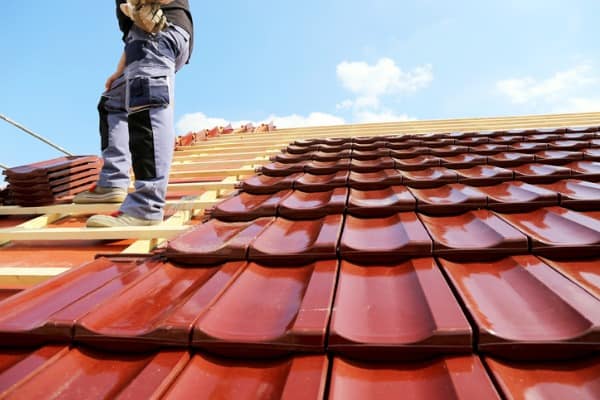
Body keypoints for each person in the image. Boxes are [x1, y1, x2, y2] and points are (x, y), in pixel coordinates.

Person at [74, 0, 193, 227]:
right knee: (112, 102)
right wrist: (120, 69)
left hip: (160, 32)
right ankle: (112, 182)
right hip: (141, 40)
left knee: (147, 103)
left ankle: (146, 206)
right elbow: (133, 31)